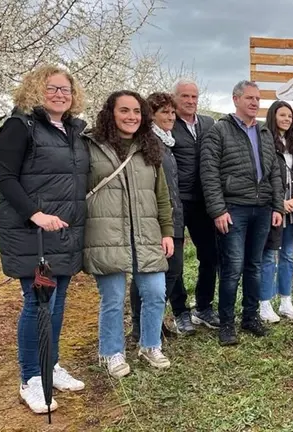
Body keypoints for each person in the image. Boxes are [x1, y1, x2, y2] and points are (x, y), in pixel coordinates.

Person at [0, 65, 88, 414]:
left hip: (64, 231)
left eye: (66, 89)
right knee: (38, 303)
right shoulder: (20, 126)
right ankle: (31, 377)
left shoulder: (73, 130)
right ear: (36, 89)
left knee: (57, 301)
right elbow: (5, 178)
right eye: (52, 88)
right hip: (32, 233)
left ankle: (51, 364)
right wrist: (35, 214)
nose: (60, 94)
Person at [83, 90, 174, 378]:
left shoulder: (149, 147)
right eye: (124, 110)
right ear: (111, 113)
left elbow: (161, 195)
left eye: (136, 111)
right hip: (106, 234)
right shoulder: (91, 146)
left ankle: (150, 345)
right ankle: (111, 352)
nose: (131, 116)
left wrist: (167, 231)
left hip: (146, 232)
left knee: (156, 293)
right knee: (113, 297)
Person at [200, 80, 284, 345]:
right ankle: (227, 324)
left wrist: (277, 206)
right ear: (236, 99)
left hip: (262, 208)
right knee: (232, 268)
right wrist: (218, 210)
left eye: (257, 98)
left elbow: (274, 172)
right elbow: (209, 173)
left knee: (254, 266)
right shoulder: (219, 130)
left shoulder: (264, 132)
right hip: (233, 209)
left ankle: (250, 317)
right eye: (249, 98)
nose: (254, 103)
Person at [128, 92, 195, 338]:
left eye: (172, 112)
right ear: (151, 115)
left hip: (172, 216)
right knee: (150, 273)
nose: (171, 116)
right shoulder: (148, 143)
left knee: (171, 270)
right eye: (164, 112)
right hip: (154, 220)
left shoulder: (166, 143)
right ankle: (142, 325)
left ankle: (152, 320)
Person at [170, 79, 219, 329]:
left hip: (204, 200)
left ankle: (204, 307)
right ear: (174, 98)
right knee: (175, 261)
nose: (190, 101)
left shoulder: (209, 123)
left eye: (194, 97)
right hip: (177, 201)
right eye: (185, 96)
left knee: (210, 255)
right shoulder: (168, 124)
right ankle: (180, 311)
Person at [259, 100, 293, 323]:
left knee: (288, 256)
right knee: (268, 256)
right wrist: (278, 202)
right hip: (273, 208)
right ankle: (264, 304)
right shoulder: (264, 141)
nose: (286, 119)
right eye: (282, 115)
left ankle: (285, 302)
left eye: (289, 116)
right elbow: (262, 174)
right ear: (273, 116)